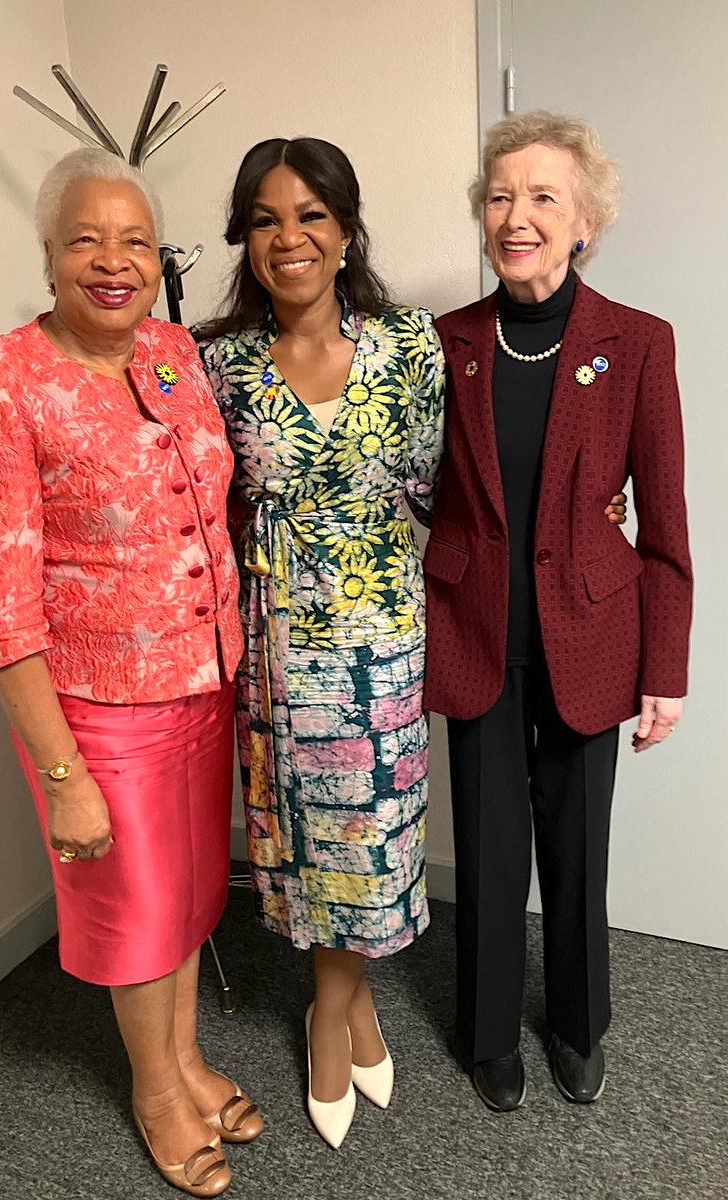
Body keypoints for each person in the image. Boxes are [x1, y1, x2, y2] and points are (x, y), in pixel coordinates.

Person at [0, 148, 261, 1198]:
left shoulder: (169, 353)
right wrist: (61, 771)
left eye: (132, 240)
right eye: (85, 239)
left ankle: (186, 1060)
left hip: (201, 682)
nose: (112, 261)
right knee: (135, 906)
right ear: (47, 254)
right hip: (97, 710)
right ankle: (154, 1090)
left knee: (193, 892)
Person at [424, 111, 693, 1113]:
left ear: (584, 223)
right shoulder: (444, 343)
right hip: (475, 632)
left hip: (592, 636)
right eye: (499, 196)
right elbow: (417, 488)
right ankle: (488, 1031)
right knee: (490, 851)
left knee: (579, 851)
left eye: (542, 197)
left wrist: (664, 668)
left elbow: (663, 525)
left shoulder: (637, 343)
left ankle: (580, 1025)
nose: (516, 215)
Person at [196, 138, 445, 1148]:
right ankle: (346, 1007)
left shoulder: (412, 346)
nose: (288, 237)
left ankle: (330, 1021)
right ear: (244, 240)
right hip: (276, 645)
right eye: (264, 218)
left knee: (370, 846)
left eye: (308, 215)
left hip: (381, 641)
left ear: (345, 230)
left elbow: (443, 488)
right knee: (301, 853)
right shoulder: (216, 361)